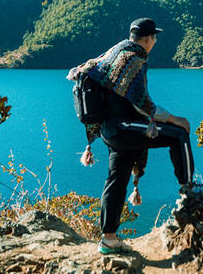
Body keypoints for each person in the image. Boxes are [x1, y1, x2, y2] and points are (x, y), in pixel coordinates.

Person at [69, 17, 196, 254]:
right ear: (148, 39)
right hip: (124, 127)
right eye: (154, 37)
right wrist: (174, 119)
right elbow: (142, 105)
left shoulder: (115, 51)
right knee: (179, 133)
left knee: (117, 180)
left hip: (109, 130)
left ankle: (108, 239)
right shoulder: (134, 58)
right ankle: (189, 190)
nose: (155, 41)